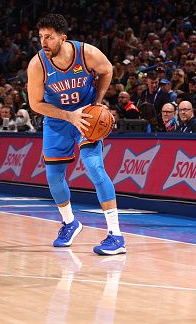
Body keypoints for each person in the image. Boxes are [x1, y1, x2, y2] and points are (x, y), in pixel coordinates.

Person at [27, 14, 126, 255]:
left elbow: (107, 70)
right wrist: (68, 116)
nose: (44, 42)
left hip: (87, 117)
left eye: (49, 37)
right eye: (41, 37)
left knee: (94, 168)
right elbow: (35, 104)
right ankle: (70, 223)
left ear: (63, 37)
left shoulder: (87, 53)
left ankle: (116, 235)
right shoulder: (37, 64)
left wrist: (99, 102)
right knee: (53, 177)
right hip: (57, 120)